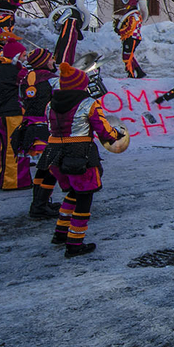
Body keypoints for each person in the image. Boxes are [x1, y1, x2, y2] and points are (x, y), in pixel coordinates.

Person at [42, 62, 126, 257]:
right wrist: (118, 135)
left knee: (72, 192)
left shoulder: (50, 103)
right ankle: (75, 242)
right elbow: (104, 131)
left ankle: (61, 233)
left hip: (54, 152)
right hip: (79, 152)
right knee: (84, 197)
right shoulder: (88, 104)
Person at [16, 48, 61, 218]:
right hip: (47, 128)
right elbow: (60, 103)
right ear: (43, 61)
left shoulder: (27, 78)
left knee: (43, 167)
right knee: (51, 168)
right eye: (50, 59)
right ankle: (39, 206)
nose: (53, 62)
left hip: (30, 128)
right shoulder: (52, 80)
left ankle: (40, 202)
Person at [0, 39, 33, 190]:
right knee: (15, 147)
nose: (25, 59)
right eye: (23, 55)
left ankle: (7, 177)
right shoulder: (18, 72)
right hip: (14, 114)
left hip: (0, 115)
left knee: (2, 147)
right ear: (16, 55)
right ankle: (13, 181)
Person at [114, 0, 146, 78]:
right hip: (131, 38)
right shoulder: (132, 15)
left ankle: (132, 73)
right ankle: (138, 72)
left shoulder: (133, 16)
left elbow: (130, 28)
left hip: (132, 38)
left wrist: (120, 31)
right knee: (129, 56)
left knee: (127, 56)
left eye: (127, 5)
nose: (126, 7)